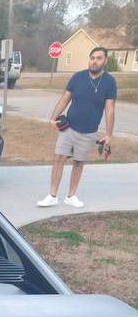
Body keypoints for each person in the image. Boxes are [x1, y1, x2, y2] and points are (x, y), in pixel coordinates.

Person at [37, 46, 116, 208]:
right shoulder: (77, 77)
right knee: (59, 158)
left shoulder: (109, 82)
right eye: (92, 58)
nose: (94, 61)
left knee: (79, 162)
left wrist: (108, 134)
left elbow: (110, 108)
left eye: (99, 58)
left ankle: (71, 196)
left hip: (89, 131)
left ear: (105, 60)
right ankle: (52, 195)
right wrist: (53, 118)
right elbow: (65, 98)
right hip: (69, 127)